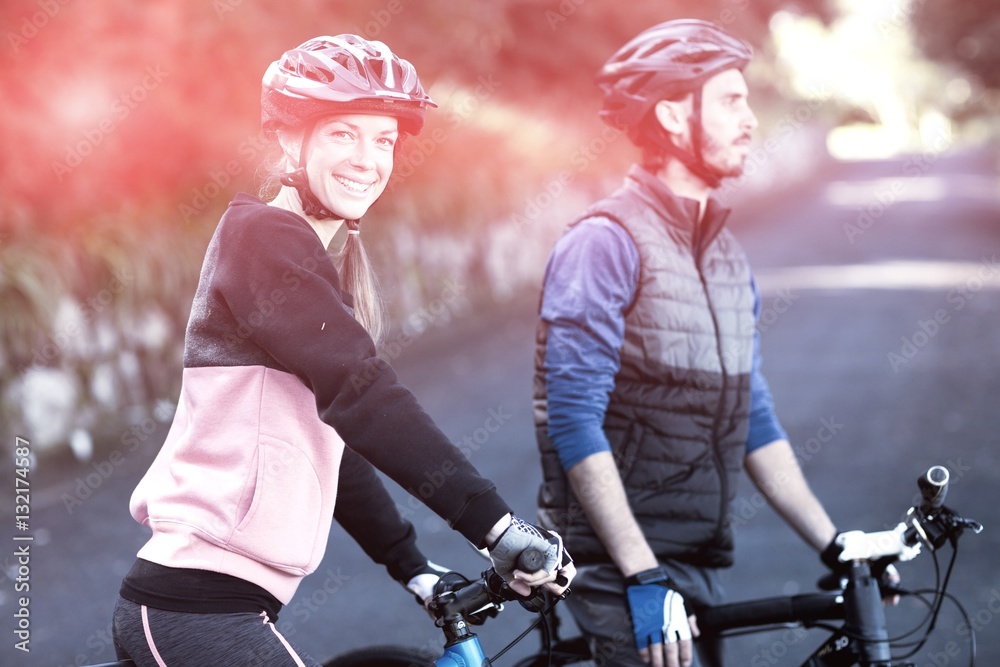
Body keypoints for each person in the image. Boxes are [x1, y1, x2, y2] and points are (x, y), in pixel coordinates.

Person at [111, 34, 574, 667]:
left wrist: (412, 566)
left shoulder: (306, 257)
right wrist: (498, 527)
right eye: (342, 134)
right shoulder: (262, 238)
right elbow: (362, 391)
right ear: (287, 139)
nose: (368, 159)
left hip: (226, 608)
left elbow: (333, 440)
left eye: (383, 140)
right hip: (192, 608)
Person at [532, 20, 885, 667]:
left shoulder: (725, 259)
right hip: (617, 566)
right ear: (671, 115)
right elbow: (572, 418)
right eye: (730, 100)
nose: (750, 119)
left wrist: (836, 544)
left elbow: (753, 418)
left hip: (694, 560)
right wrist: (640, 574)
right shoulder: (604, 242)